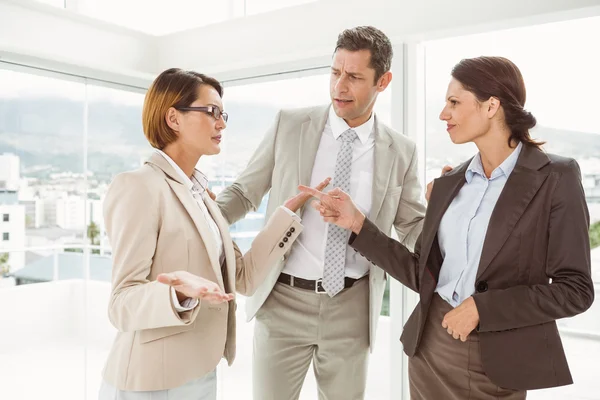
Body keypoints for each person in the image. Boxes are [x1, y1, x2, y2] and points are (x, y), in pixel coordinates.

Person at [302, 56, 595, 399]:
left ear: (491, 107)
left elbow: (576, 290)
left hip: (497, 360)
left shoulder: (555, 177)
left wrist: (483, 309)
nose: (443, 114)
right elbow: (422, 273)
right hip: (430, 348)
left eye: (454, 102)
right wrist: (358, 224)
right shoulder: (449, 183)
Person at [216, 26, 425, 400]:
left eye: (355, 77)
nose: (339, 87)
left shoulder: (401, 151)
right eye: (335, 72)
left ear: (384, 81)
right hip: (281, 301)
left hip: (351, 307)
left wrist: (449, 217)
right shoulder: (290, 125)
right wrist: (201, 221)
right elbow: (245, 192)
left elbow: (412, 226)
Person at [98, 68, 328, 400]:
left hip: (202, 372)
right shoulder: (139, 187)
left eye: (223, 114)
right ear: (173, 118)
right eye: (212, 112)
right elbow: (121, 304)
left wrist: (287, 215)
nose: (222, 124)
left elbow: (243, 278)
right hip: (150, 382)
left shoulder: (202, 195)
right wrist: (178, 292)